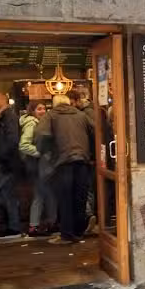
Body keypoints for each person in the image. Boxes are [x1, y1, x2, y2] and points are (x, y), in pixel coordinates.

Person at [36, 93, 95, 244]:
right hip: (82, 160)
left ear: (54, 104)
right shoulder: (81, 115)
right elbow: (94, 132)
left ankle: (67, 235)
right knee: (80, 198)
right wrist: (91, 154)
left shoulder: (50, 116)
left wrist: (46, 152)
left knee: (65, 199)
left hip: (62, 162)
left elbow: (42, 136)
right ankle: (78, 232)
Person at [0, 93, 21, 239]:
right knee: (3, 193)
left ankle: (14, 228)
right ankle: (9, 226)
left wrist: (2, 155)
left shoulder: (9, 117)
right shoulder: (1, 117)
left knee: (5, 193)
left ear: (3, 100)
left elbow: (12, 140)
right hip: (3, 161)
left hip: (7, 162)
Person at [19, 101, 55, 237]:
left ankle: (41, 224)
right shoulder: (32, 123)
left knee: (43, 194)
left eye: (44, 108)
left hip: (36, 165)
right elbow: (23, 145)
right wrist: (40, 152)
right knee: (41, 195)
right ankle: (35, 225)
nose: (42, 111)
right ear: (32, 110)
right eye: (39, 109)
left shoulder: (36, 122)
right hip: (36, 165)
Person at [68, 89, 98, 235]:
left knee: (86, 188)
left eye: (71, 103)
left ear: (77, 101)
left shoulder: (85, 113)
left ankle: (88, 215)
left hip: (88, 156)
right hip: (88, 155)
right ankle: (88, 216)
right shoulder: (87, 112)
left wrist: (92, 154)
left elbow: (94, 134)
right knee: (87, 188)